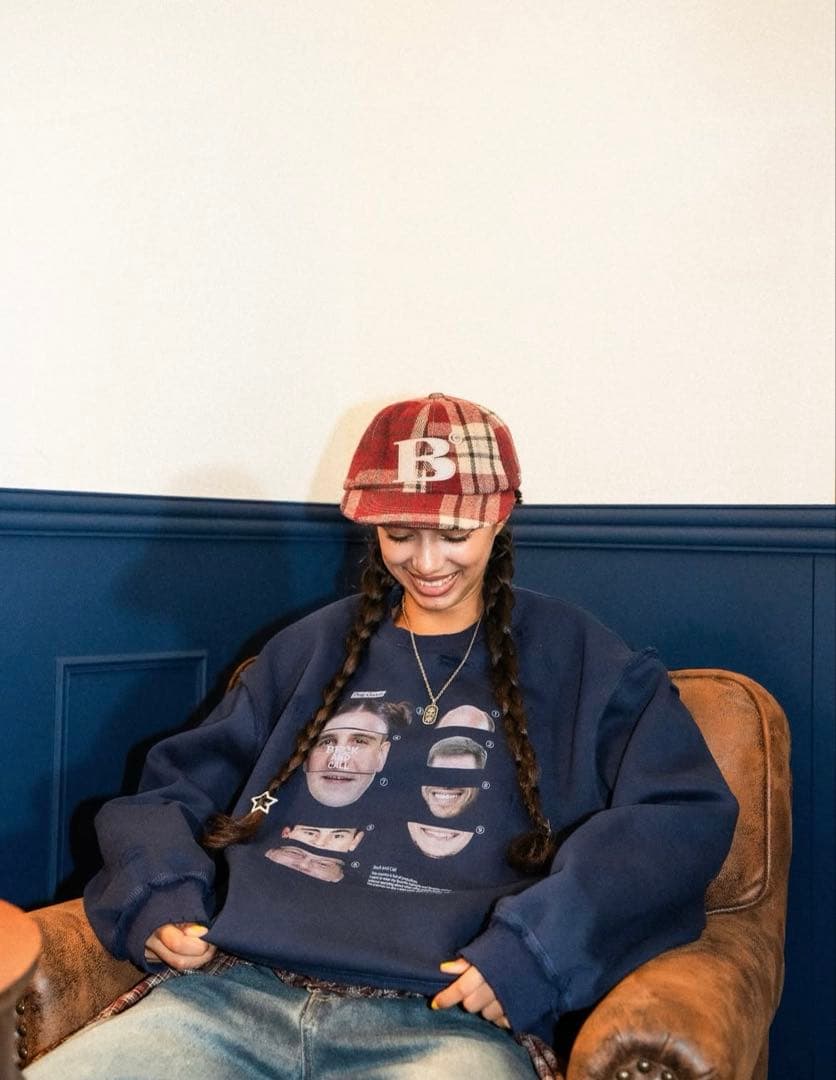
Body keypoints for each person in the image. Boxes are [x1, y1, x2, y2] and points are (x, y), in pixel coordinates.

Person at [25, 392, 738, 1080]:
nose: (426, 563)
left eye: (454, 535)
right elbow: (170, 792)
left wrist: (537, 952)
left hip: (446, 1022)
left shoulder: (584, 661)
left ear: (501, 516)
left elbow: (680, 817)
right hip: (230, 994)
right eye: (399, 534)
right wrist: (160, 896)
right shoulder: (307, 650)